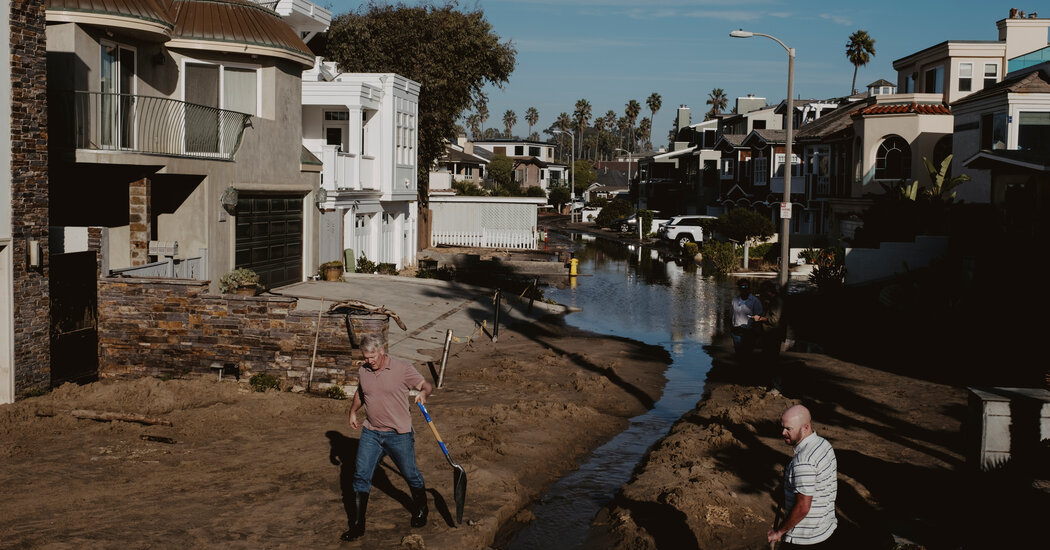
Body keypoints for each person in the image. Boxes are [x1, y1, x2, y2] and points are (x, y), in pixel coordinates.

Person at [341, 333, 434, 542]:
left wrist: (423, 394)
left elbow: (426, 386)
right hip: (371, 432)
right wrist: (353, 411)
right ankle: (357, 526)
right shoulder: (363, 370)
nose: (368, 361)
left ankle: (421, 508)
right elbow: (362, 392)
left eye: (372, 357)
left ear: (382, 350)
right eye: (365, 357)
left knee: (410, 474)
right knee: (360, 475)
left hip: (398, 434)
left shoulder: (402, 369)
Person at [768, 405, 838, 548]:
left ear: (805, 427)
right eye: (782, 427)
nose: (783, 432)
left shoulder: (803, 461)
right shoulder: (823, 445)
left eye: (789, 429)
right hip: (825, 529)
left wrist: (779, 532)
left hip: (804, 539)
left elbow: (803, 507)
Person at [753, 281, 785, 363]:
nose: (762, 294)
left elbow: (774, 320)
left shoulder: (777, 301)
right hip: (769, 334)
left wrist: (760, 318)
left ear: (768, 291)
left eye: (763, 292)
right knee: (767, 357)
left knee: (770, 358)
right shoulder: (772, 300)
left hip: (773, 335)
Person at [730, 279, 762, 358]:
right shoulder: (734, 300)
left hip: (749, 333)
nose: (744, 288)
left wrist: (755, 334)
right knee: (738, 355)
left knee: (747, 355)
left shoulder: (755, 301)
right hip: (736, 332)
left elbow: (759, 318)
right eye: (742, 286)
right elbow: (731, 315)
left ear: (749, 287)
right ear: (739, 288)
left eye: (746, 286)